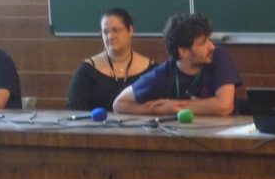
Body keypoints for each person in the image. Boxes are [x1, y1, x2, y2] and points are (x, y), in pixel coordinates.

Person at [114, 13, 242, 116]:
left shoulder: (218, 55)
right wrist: (156, 109)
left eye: (209, 39)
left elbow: (224, 106)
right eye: (203, 43)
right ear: (183, 51)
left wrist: (176, 105)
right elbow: (119, 104)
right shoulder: (162, 74)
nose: (211, 46)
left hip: (225, 135)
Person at [67, 8, 156, 112]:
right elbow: (75, 110)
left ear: (130, 31)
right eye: (105, 32)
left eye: (116, 30)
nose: (110, 36)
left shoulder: (151, 70)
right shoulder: (87, 70)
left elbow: (158, 107)